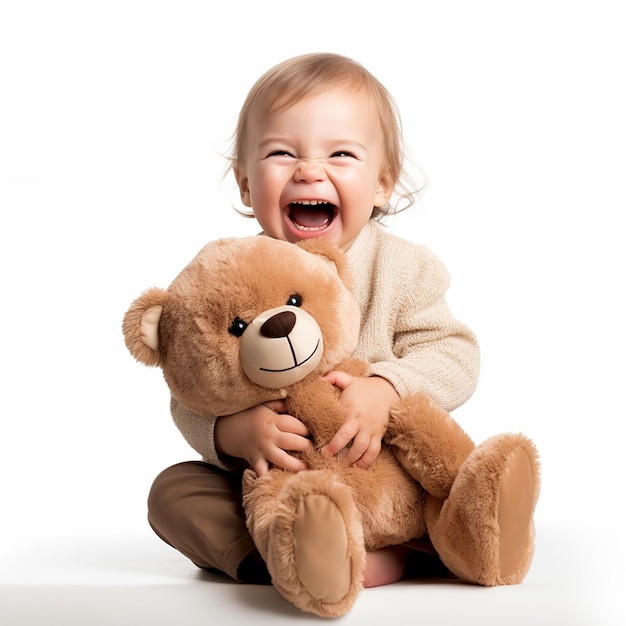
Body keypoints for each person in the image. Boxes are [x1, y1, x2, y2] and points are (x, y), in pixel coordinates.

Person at [147, 52, 480, 590]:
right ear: (247, 185)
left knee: (455, 473)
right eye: (281, 153)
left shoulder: (405, 267)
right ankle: (291, 555)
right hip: (283, 481)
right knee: (174, 493)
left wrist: (387, 386)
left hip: (382, 475)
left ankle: (422, 543)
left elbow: (456, 354)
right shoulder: (230, 276)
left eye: (341, 153)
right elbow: (190, 387)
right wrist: (230, 433)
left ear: (381, 184)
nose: (308, 170)